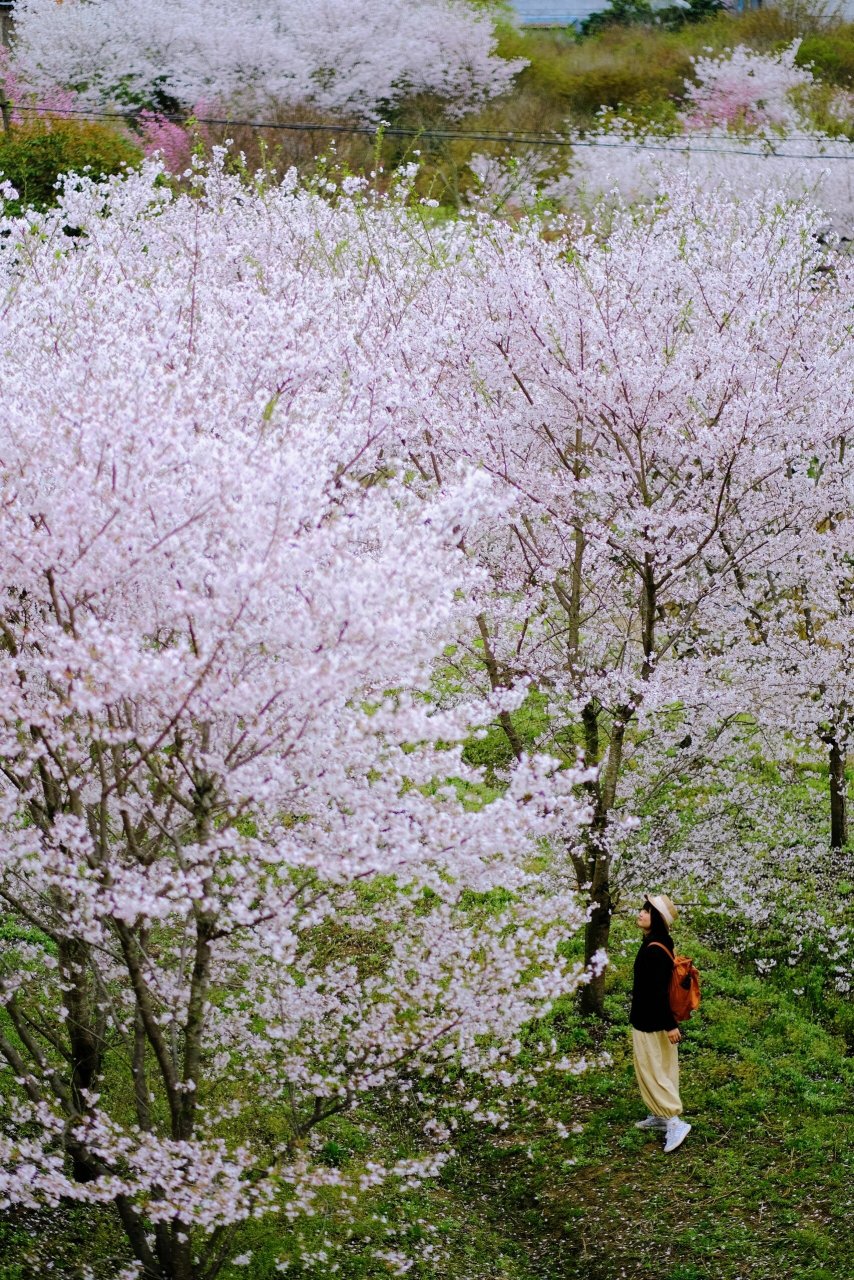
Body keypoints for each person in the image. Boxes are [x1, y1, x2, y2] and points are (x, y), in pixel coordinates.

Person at [629, 892, 691, 1153]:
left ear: (656, 919)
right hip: (655, 1020)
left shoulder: (654, 949)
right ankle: (660, 1115)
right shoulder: (659, 942)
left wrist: (669, 1025)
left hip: (651, 1022)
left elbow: (658, 991)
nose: (641, 913)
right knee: (662, 1068)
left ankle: (674, 1122)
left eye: (647, 911)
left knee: (652, 1070)